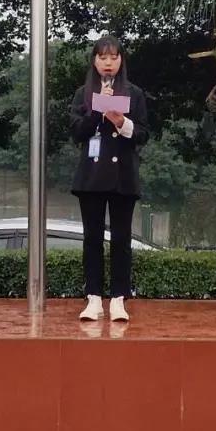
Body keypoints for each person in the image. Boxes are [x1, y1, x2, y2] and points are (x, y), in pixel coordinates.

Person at [69, 35, 150, 322]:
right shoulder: (83, 93)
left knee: (121, 239)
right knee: (92, 239)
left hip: (122, 176)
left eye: (113, 58)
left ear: (121, 61)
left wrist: (122, 123)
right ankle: (93, 298)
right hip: (92, 177)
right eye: (102, 57)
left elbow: (143, 133)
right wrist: (97, 113)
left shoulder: (134, 93)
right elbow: (77, 132)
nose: (108, 63)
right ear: (94, 61)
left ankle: (118, 299)